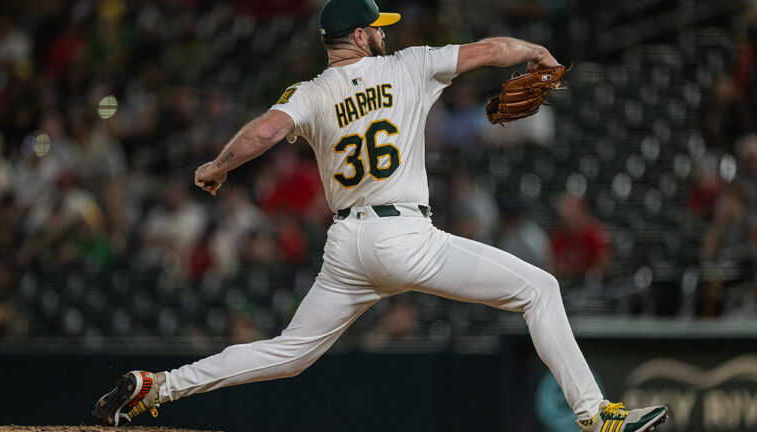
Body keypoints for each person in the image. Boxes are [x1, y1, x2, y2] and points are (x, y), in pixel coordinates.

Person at [93, 1, 669, 430]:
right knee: (539, 288)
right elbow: (490, 51)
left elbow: (266, 131)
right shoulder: (410, 65)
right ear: (363, 34)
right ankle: (596, 417)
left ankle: (157, 387)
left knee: (289, 353)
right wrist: (535, 52)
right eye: (379, 28)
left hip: (346, 247)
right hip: (405, 235)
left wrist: (219, 165)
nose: (385, 35)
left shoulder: (312, 89)